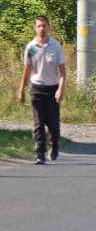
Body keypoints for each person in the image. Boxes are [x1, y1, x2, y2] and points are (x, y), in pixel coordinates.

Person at [17, 15, 67, 164]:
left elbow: (63, 72)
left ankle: (55, 145)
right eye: (39, 26)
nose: (41, 29)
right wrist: (21, 90)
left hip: (52, 89)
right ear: (35, 28)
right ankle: (40, 154)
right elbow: (27, 70)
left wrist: (60, 90)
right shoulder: (31, 47)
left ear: (49, 27)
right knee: (38, 124)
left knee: (53, 124)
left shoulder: (56, 46)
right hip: (37, 88)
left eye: (44, 26)